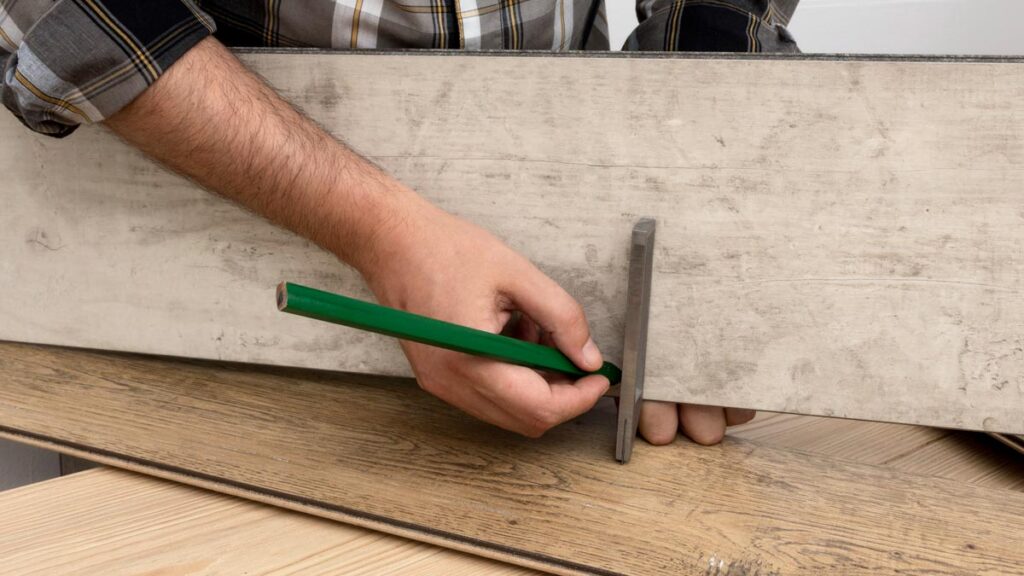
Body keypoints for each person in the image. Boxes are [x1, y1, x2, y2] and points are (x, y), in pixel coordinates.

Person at [0, 0, 798, 445]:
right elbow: (74, 16)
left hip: (559, 371)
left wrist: (698, 154)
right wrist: (379, 230)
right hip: (166, 322)